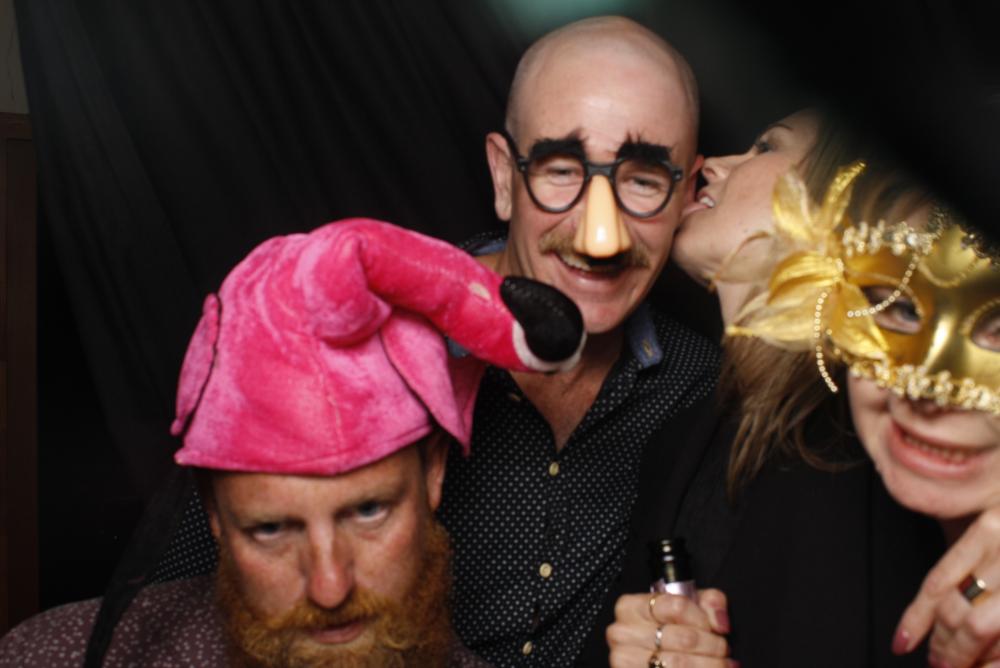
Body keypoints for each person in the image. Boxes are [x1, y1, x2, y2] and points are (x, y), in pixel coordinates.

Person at [0, 218, 585, 667]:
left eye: (368, 511)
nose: (329, 587)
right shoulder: (46, 657)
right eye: (272, 529)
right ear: (214, 514)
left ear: (433, 473)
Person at [586, 114, 954, 667]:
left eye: (764, 146)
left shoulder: (890, 427)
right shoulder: (677, 437)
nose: (712, 165)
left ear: (844, 201)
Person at [435, 16, 720, 666]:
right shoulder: (373, 348)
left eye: (643, 180)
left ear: (689, 194)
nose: (601, 237)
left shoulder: (702, 390)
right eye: (561, 170)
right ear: (504, 177)